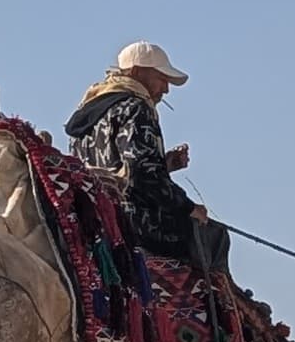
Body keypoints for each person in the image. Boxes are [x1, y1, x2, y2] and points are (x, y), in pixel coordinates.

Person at [64, 42, 212, 263]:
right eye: (162, 79)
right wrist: (188, 207)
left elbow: (115, 168)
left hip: (92, 220)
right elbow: (142, 174)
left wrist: (165, 164)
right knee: (215, 238)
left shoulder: (88, 113)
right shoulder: (136, 107)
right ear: (136, 72)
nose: (166, 89)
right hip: (135, 224)